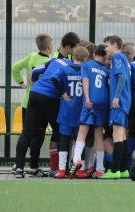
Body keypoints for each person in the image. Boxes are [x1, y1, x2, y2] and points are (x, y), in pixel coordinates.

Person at [14, 32, 80, 178]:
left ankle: (18, 168)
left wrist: (36, 81)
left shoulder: (55, 60)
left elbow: (36, 70)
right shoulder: (72, 66)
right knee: (61, 132)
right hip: (50, 98)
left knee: (27, 132)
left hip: (35, 93)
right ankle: (62, 168)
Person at [11, 32, 53, 173]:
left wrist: (22, 83)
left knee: (26, 133)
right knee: (39, 134)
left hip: (27, 101)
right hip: (42, 102)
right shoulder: (50, 62)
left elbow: (15, 67)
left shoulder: (31, 57)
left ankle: (18, 164)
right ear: (49, 46)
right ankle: (33, 166)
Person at [70, 44, 109, 179]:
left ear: (93, 54)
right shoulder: (106, 69)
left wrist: (87, 97)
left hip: (90, 101)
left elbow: (85, 80)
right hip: (102, 103)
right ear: (105, 57)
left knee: (82, 132)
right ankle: (99, 168)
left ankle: (76, 161)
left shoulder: (86, 65)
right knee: (99, 136)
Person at [51, 46, 89, 178]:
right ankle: (80, 170)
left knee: (64, 139)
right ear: (86, 58)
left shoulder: (65, 69)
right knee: (80, 140)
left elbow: (54, 78)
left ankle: (62, 170)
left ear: (72, 57)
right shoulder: (86, 71)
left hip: (67, 110)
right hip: (81, 111)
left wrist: (63, 92)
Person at [98, 35, 131, 179]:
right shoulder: (123, 58)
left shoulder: (117, 57)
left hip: (120, 101)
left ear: (115, 45)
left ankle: (115, 170)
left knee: (117, 135)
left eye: (107, 46)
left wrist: (116, 97)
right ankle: (123, 169)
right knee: (122, 136)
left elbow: (122, 77)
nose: (105, 49)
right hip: (125, 101)